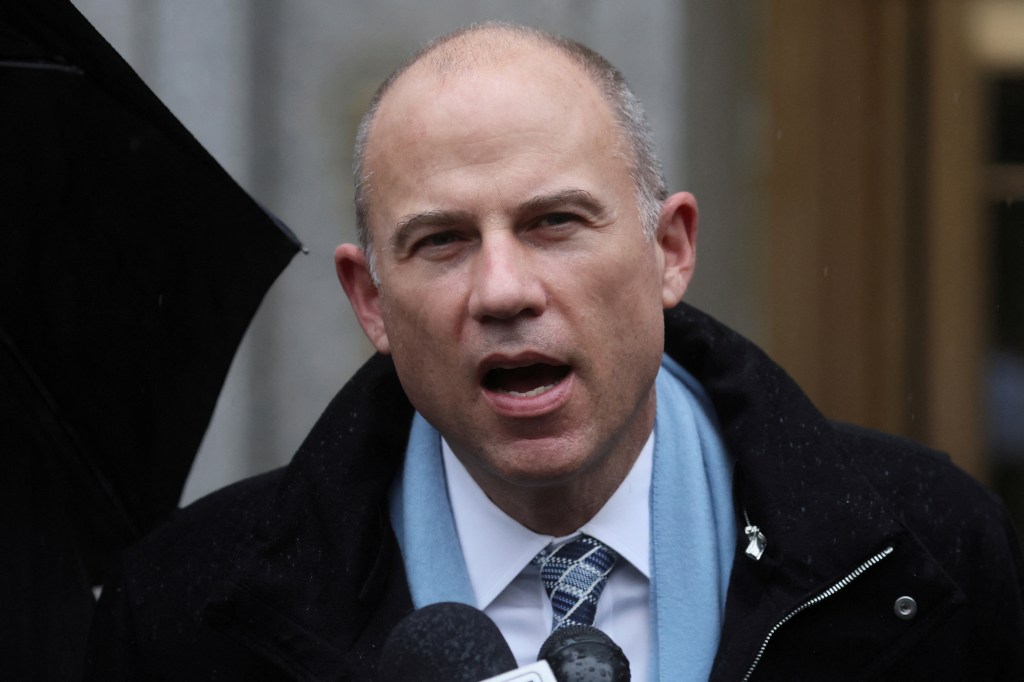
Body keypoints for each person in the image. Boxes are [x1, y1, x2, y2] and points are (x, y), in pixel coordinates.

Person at [86, 23, 1024, 681]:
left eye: (555, 223)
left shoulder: (931, 557)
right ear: (370, 302)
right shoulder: (185, 612)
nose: (503, 290)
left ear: (670, 250)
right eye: (441, 241)